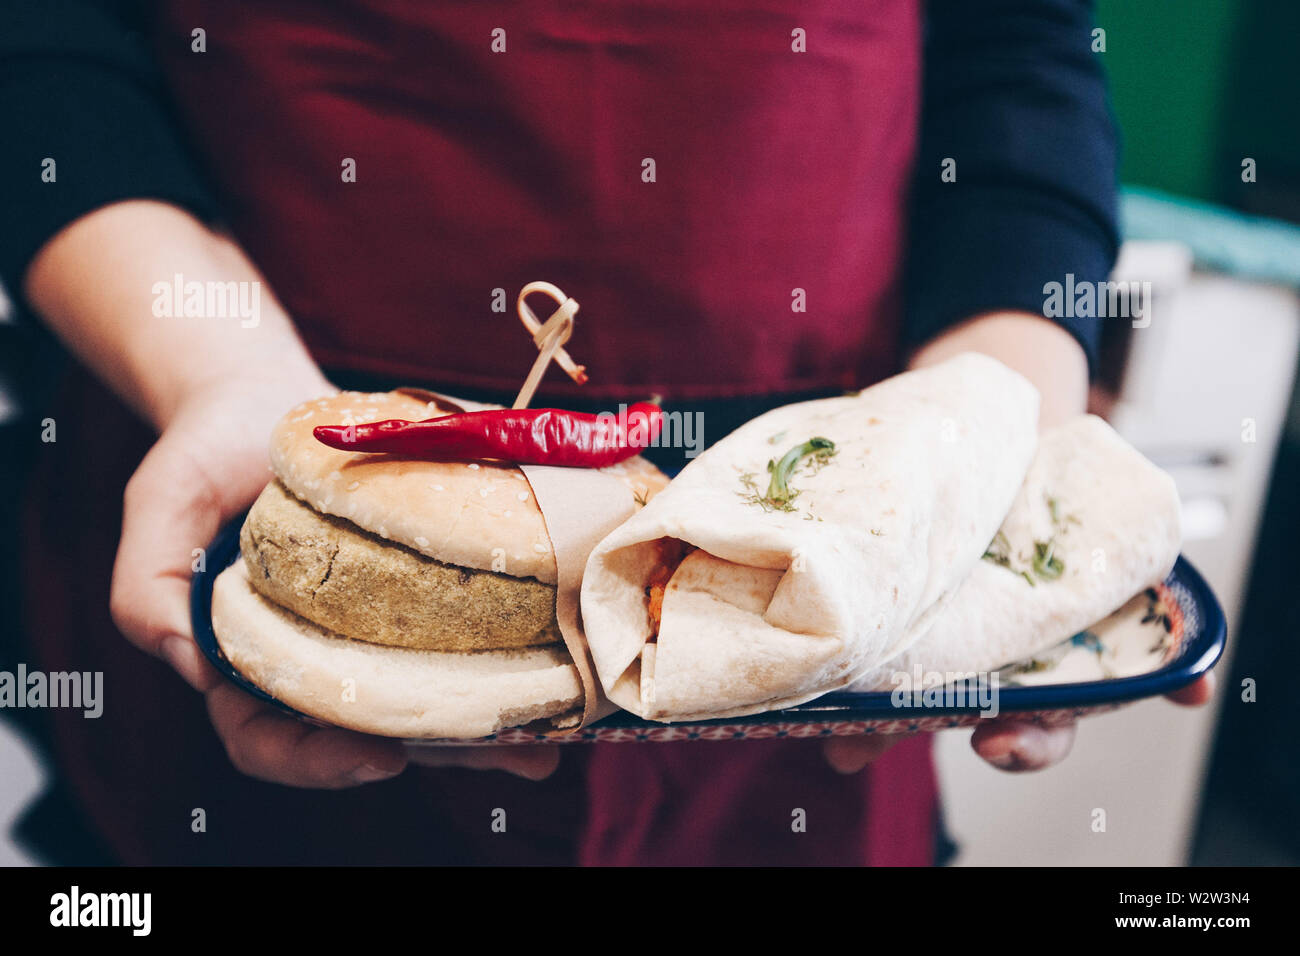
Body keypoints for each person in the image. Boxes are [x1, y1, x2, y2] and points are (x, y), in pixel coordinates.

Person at [0, 0, 1209, 865]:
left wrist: (980, 431)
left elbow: (1016, 50)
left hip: (822, 558)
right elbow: (47, 45)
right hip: (249, 416)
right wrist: (221, 373)